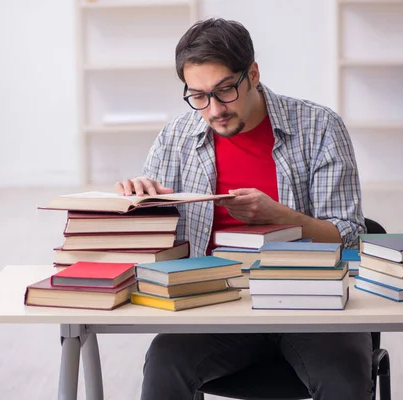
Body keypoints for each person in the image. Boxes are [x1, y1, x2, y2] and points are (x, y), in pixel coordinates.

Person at [115, 18, 372, 400]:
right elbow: (154, 242)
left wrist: (285, 219)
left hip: (311, 303)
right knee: (164, 363)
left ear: (252, 73)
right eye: (198, 96)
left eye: (224, 91)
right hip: (215, 303)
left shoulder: (320, 127)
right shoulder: (177, 137)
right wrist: (138, 202)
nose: (214, 109)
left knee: (344, 375)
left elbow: (350, 233)